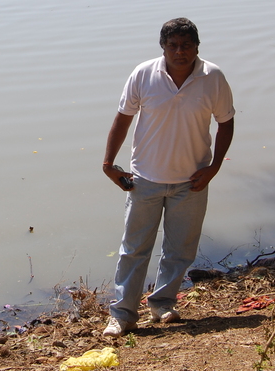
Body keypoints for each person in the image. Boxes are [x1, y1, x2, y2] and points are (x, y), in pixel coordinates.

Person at [101, 17, 235, 337]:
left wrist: (214, 167)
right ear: (162, 47)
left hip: (192, 181)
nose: (180, 51)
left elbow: (226, 122)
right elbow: (122, 118)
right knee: (134, 249)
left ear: (197, 47)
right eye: (172, 45)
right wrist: (109, 163)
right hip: (144, 178)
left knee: (180, 249)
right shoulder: (144, 74)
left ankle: (162, 303)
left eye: (186, 45)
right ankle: (122, 314)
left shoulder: (212, 77)